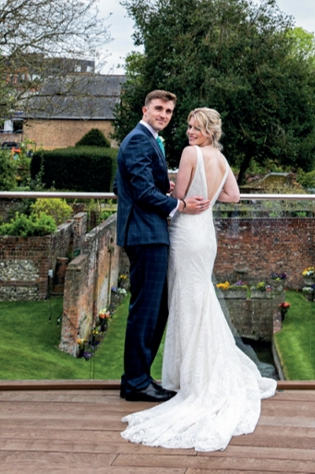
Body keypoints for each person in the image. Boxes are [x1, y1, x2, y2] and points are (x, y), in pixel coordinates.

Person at [121, 107, 277, 451]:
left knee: (186, 301)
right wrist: (207, 196)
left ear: (209, 130)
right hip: (206, 236)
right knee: (198, 298)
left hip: (186, 232)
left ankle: (188, 380)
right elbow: (232, 196)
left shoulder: (190, 154)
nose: (190, 132)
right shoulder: (220, 158)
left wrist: (180, 191)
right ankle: (199, 374)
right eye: (189, 126)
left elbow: (177, 199)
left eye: (196, 127)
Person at [115, 90, 210, 403]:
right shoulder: (141, 139)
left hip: (148, 233)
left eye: (169, 111)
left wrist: (160, 186)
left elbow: (122, 185)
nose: (164, 115)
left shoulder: (148, 140)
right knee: (146, 310)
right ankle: (136, 382)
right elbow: (140, 192)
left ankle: (139, 377)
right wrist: (179, 204)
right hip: (145, 236)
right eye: (159, 109)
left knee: (156, 308)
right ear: (145, 109)